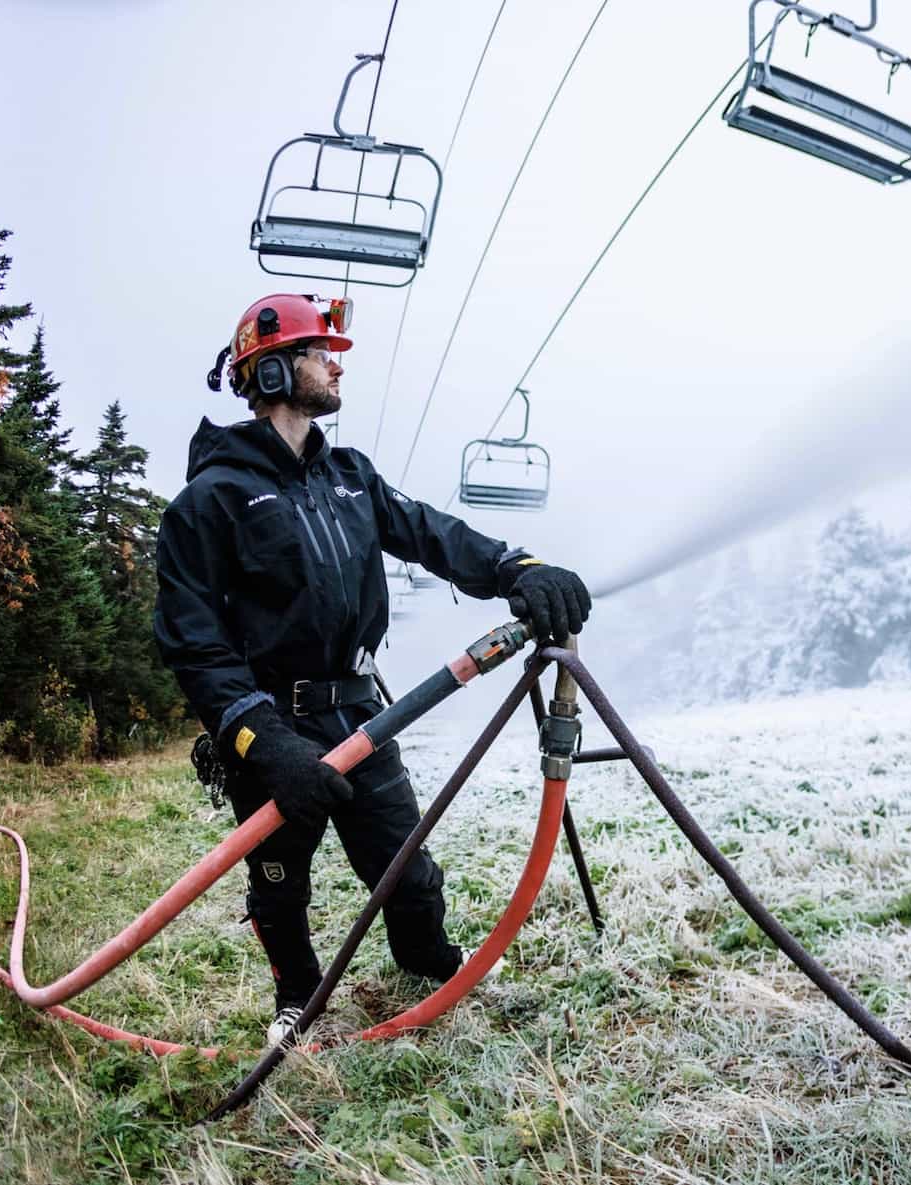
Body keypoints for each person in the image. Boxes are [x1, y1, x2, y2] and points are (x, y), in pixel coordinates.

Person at [153, 293, 590, 1046]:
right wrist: (263, 740)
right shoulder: (208, 500)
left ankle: (427, 971)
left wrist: (517, 566)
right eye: (319, 352)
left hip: (361, 713)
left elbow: (430, 533)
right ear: (270, 372)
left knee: (407, 867)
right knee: (279, 883)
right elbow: (195, 643)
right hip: (271, 727)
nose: (334, 362)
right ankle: (297, 997)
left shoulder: (350, 475)